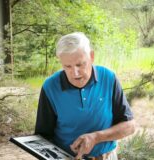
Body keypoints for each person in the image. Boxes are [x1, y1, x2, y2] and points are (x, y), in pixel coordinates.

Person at [34, 32, 135, 160]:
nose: (75, 73)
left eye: (80, 64)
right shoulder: (50, 86)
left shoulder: (109, 78)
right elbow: (43, 137)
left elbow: (129, 126)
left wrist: (96, 137)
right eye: (68, 66)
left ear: (91, 56)